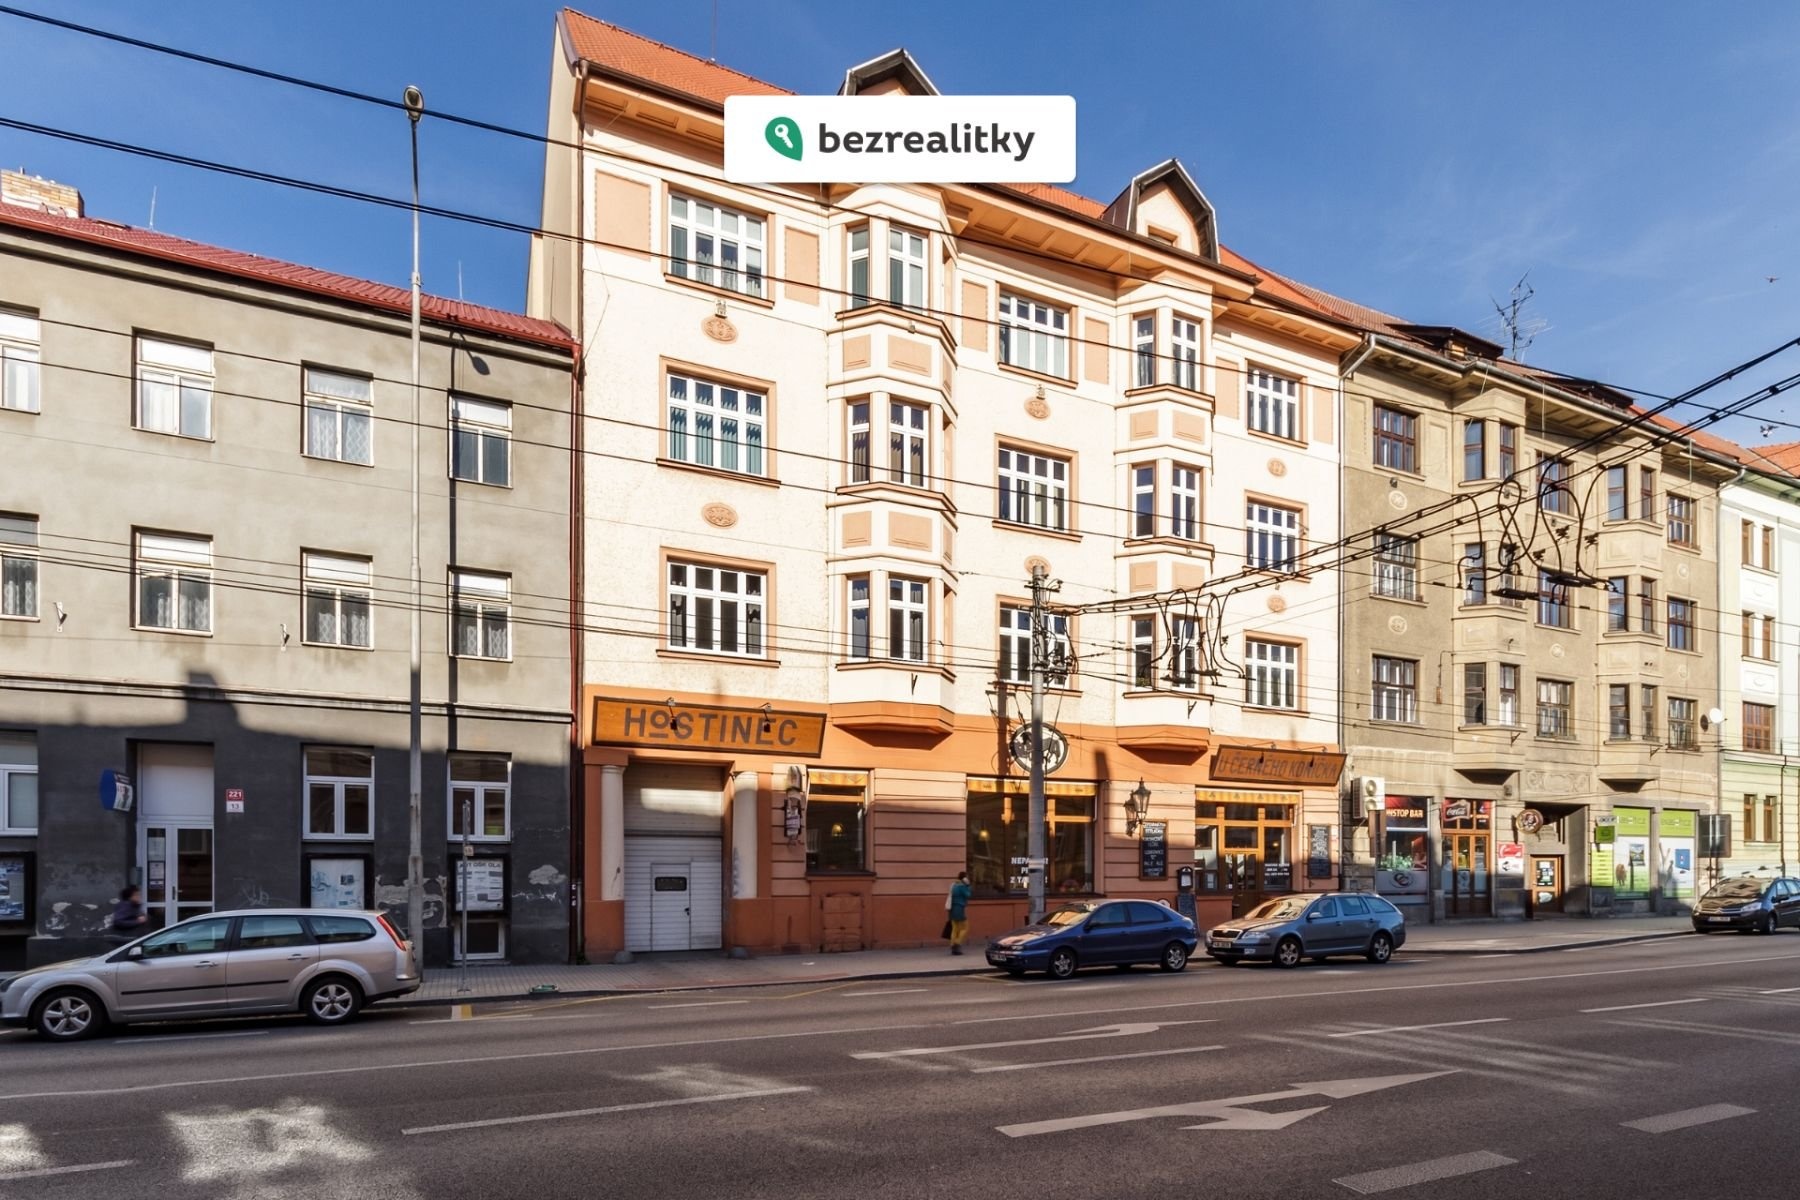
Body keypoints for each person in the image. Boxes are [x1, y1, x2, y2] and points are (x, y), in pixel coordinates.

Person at [946, 870, 972, 955]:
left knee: (955, 928)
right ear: (964, 878)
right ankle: (957, 943)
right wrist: (968, 885)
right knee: (965, 928)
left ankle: (953, 945)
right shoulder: (962, 886)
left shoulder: (953, 885)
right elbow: (968, 895)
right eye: (967, 877)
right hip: (959, 908)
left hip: (952, 909)